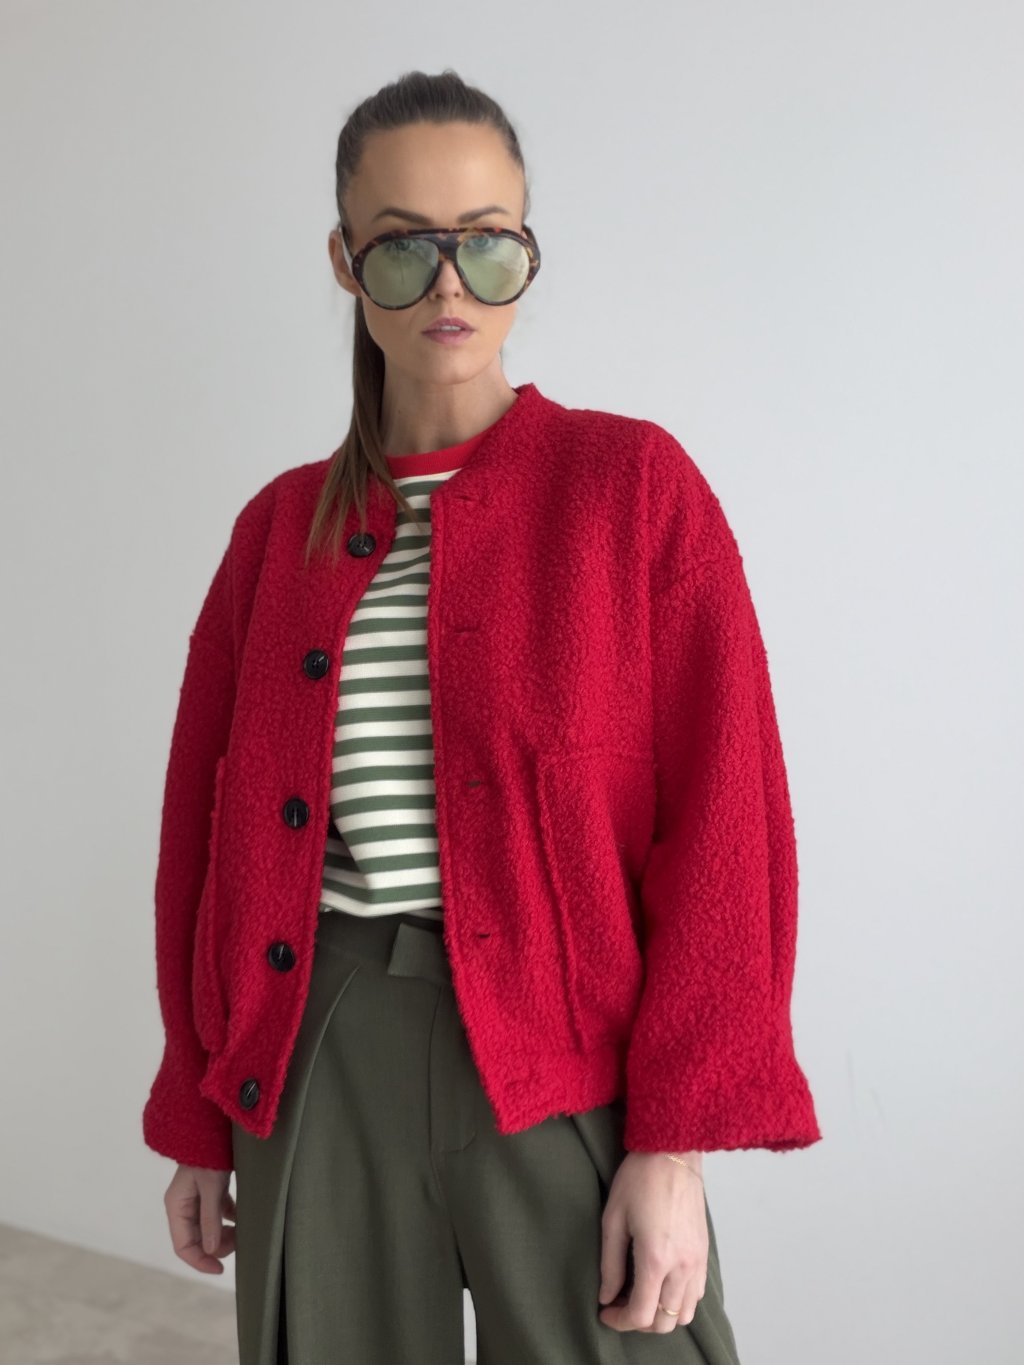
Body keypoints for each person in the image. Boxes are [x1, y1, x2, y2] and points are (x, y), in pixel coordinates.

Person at [142, 68, 822, 1364]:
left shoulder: (632, 488)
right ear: (345, 262)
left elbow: (727, 831)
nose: (448, 285)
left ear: (527, 251)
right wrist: (197, 1110)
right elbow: (201, 845)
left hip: (563, 1053)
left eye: (488, 242)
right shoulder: (279, 532)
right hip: (318, 1043)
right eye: (403, 247)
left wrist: (672, 1146)